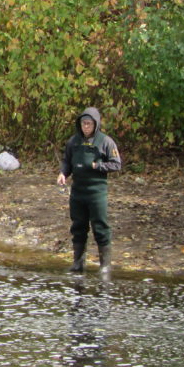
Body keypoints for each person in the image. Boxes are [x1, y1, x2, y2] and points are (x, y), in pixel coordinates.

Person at [57, 107, 122, 274]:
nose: (86, 127)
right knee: (78, 226)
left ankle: (105, 265)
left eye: (89, 124)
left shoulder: (105, 142)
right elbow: (67, 162)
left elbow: (116, 164)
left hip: (97, 191)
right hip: (78, 191)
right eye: (83, 124)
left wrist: (98, 165)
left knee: (100, 226)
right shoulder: (73, 142)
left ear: (96, 124)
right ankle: (78, 263)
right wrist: (63, 174)